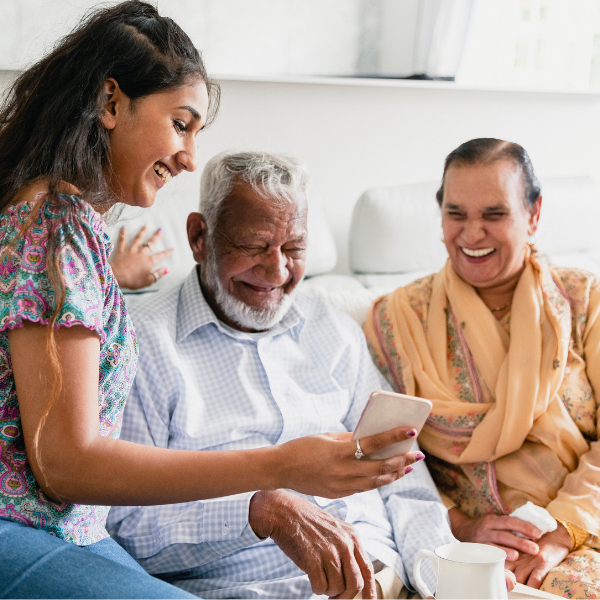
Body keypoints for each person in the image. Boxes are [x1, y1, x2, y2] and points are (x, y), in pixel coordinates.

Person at [0, 3, 419, 598]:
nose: (191, 155)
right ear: (111, 103)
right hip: (25, 529)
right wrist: (278, 468)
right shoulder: (55, 223)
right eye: (181, 123)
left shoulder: (68, 224)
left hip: (72, 531)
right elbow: (65, 462)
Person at [107, 150, 458, 599]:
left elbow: (402, 479)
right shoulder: (140, 342)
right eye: (254, 247)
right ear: (199, 237)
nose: (277, 271)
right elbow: (125, 529)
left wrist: (446, 576)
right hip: (249, 589)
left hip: (386, 583)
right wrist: (257, 511)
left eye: (294, 248)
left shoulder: (335, 330)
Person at [364, 137, 600, 598]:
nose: (472, 235)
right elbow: (379, 457)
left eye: (494, 215)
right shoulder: (396, 320)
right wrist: (460, 526)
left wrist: (562, 532)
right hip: (461, 550)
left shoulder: (583, 300)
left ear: (533, 216)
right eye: (456, 215)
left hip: (584, 528)